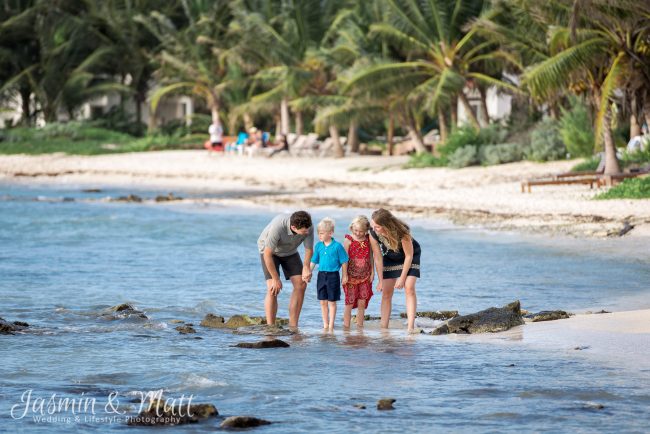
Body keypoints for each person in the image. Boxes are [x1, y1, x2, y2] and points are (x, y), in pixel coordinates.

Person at [258, 211, 314, 327]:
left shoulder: (308, 226)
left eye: (308, 229)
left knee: (301, 284)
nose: (307, 232)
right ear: (293, 227)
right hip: (269, 252)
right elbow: (267, 254)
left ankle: (293, 326)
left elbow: (309, 249)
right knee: (273, 288)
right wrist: (275, 278)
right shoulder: (278, 227)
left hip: (290, 252)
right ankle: (271, 327)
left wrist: (306, 267)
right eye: (304, 231)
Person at [368, 208, 421, 332]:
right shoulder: (373, 233)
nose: (374, 229)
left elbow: (409, 256)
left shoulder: (402, 231)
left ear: (386, 225)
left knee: (409, 288)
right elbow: (378, 258)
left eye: (377, 227)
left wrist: (402, 278)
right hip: (390, 258)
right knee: (386, 292)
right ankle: (384, 329)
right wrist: (380, 280)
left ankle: (410, 328)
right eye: (373, 225)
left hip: (410, 257)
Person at [310, 218, 348, 331]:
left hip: (333, 276)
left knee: (332, 301)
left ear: (330, 233)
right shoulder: (318, 246)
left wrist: (344, 276)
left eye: (322, 233)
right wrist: (308, 272)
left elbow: (344, 261)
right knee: (322, 301)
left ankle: (331, 325)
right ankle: (325, 325)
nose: (319, 235)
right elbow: (313, 261)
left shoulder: (337, 246)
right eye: (318, 233)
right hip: (321, 275)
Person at [342, 215, 374, 329]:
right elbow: (344, 259)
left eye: (361, 231)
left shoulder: (368, 240)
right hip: (350, 277)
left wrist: (373, 272)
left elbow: (371, 256)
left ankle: (360, 327)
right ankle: (346, 328)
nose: (358, 233)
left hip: (365, 276)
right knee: (349, 302)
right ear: (352, 228)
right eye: (356, 230)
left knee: (362, 303)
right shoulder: (348, 240)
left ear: (366, 230)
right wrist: (344, 275)